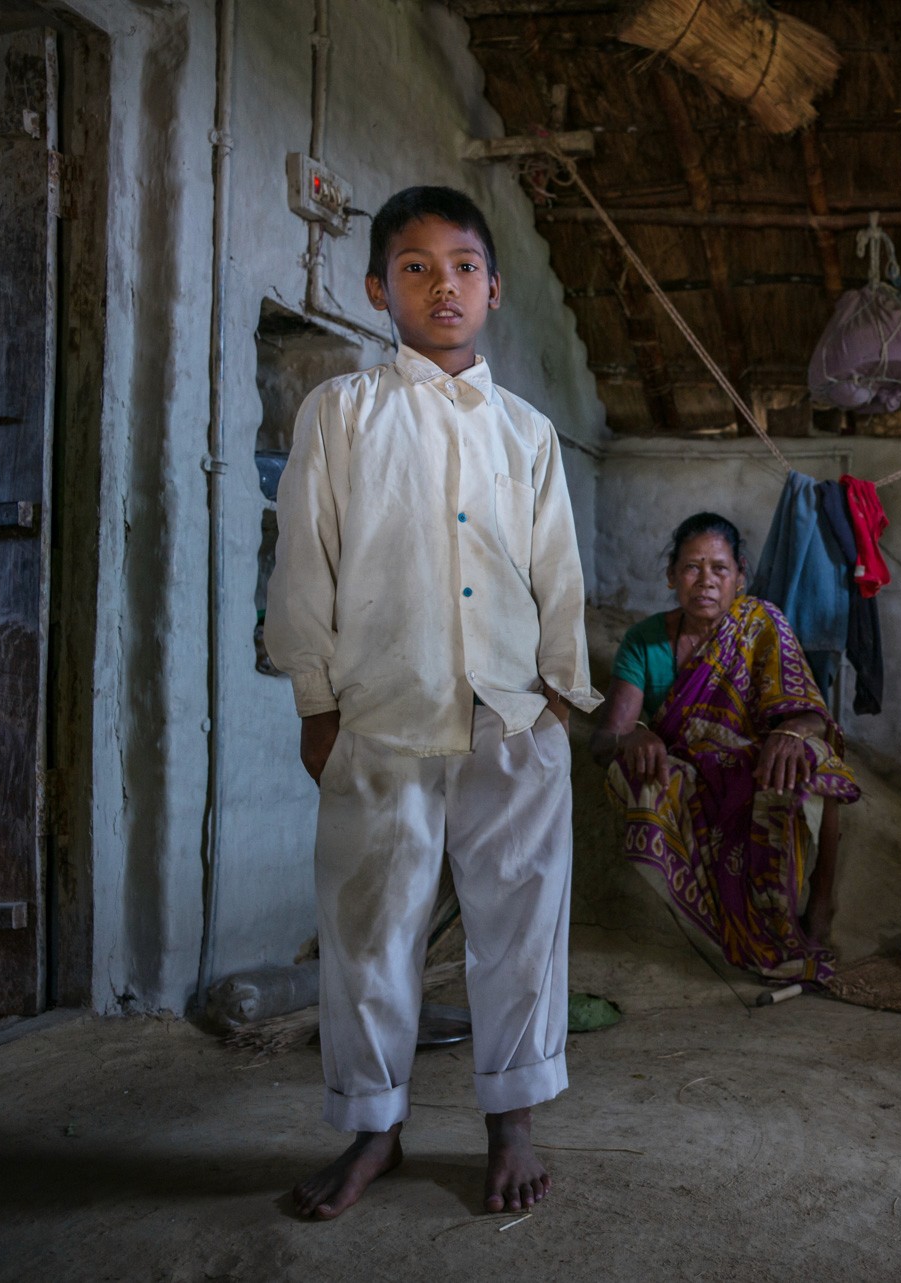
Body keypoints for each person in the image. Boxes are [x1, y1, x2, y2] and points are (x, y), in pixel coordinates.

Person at [265, 186, 600, 1220]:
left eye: (462, 267)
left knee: (521, 924)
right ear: (378, 290)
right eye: (414, 268)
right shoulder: (341, 413)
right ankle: (376, 1126)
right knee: (370, 929)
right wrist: (315, 701)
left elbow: (557, 572)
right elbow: (304, 563)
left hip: (514, 718)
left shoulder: (528, 431)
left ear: (494, 290)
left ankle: (512, 1124)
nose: (441, 286)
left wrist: (559, 696)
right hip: (379, 714)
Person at [593, 513, 859, 984]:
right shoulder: (645, 641)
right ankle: (710, 925)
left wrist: (791, 732)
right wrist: (635, 733)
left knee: (817, 760)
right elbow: (605, 740)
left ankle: (819, 909)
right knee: (638, 773)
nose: (706, 581)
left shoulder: (762, 624)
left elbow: (813, 715)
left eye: (719, 568)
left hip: (756, 761)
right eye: (692, 568)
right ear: (671, 576)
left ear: (739, 576)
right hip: (688, 767)